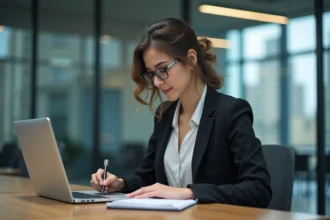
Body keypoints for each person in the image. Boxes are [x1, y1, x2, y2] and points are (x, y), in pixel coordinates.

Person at [90, 17, 272, 208]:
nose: (157, 82)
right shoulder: (164, 114)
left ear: (191, 59)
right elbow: (147, 177)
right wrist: (119, 183)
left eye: (162, 69)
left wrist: (188, 193)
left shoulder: (231, 112)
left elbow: (259, 189)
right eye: (151, 74)